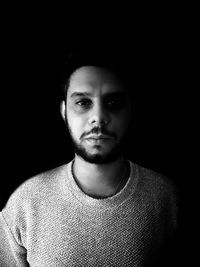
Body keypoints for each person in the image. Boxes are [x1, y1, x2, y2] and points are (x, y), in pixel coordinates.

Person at [0, 50, 178, 266]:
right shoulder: (25, 203)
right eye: (83, 102)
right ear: (64, 112)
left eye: (113, 102)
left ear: (130, 110)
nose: (98, 118)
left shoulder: (167, 198)